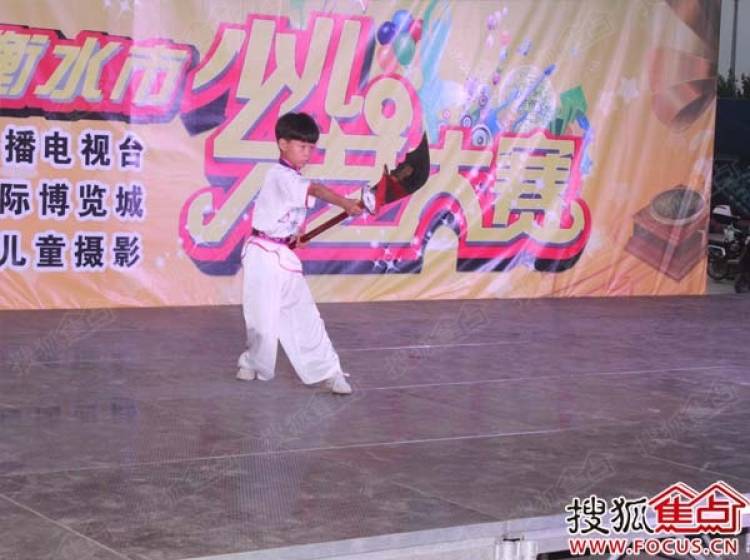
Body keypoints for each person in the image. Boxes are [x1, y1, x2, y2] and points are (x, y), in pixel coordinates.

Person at [236, 112, 362, 394]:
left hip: (283, 256)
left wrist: (294, 236)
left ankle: (329, 371)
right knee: (262, 319)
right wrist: (345, 203)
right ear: (282, 144)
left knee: (305, 314)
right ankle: (252, 362)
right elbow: (315, 190)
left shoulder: (293, 178)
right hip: (262, 254)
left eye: (311, 148)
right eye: (302, 146)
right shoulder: (278, 174)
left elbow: (288, 215)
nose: (307, 153)